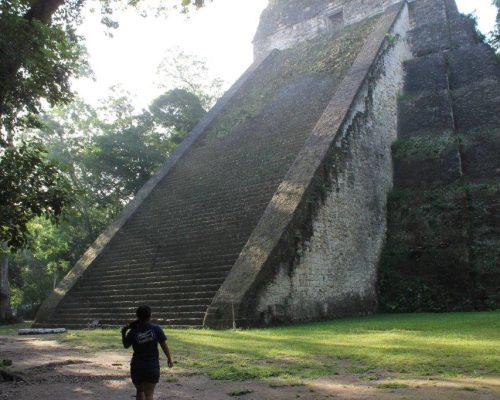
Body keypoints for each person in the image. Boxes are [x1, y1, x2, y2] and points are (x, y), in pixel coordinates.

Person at [122, 305, 173, 400]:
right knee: (149, 395)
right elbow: (163, 345)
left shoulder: (133, 331)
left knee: (140, 391)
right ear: (150, 315)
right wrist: (169, 359)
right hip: (151, 367)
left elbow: (126, 345)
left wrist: (123, 332)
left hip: (137, 367)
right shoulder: (156, 329)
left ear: (137, 316)